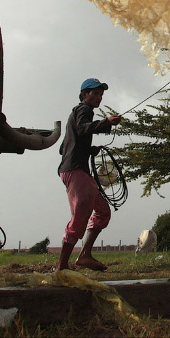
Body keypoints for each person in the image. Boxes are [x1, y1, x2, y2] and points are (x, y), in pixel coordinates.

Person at [56, 77, 122, 271]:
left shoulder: (79, 113)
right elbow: (83, 128)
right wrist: (106, 121)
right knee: (80, 217)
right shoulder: (83, 110)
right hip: (75, 171)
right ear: (84, 94)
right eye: (95, 93)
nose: (99, 97)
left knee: (102, 212)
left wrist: (88, 150)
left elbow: (64, 147)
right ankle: (61, 266)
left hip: (76, 170)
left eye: (101, 94)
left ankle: (84, 255)